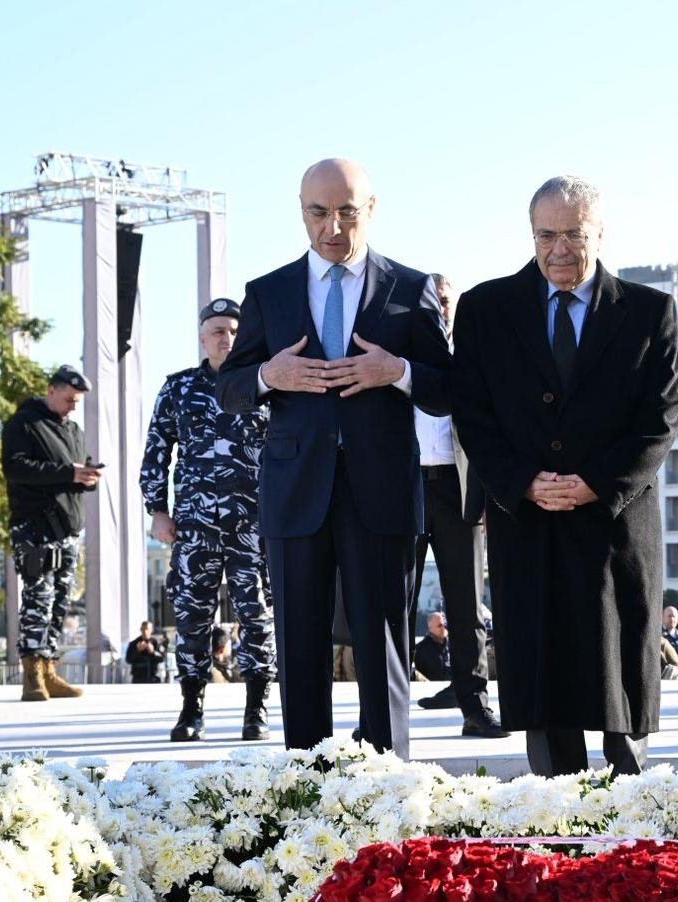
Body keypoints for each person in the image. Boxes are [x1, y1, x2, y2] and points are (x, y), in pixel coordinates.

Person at [217, 158, 452, 759]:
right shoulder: (267, 292)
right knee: (299, 645)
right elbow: (231, 388)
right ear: (302, 212)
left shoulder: (410, 288)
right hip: (296, 494)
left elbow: (452, 387)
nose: (333, 228)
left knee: (383, 645)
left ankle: (390, 783)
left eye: (348, 212)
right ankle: (306, 786)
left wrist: (395, 371)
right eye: (319, 213)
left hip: (383, 492)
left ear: (371, 210)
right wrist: (272, 374)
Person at [452, 175, 678, 777]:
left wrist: (598, 483)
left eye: (574, 235)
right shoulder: (485, 309)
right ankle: (558, 832)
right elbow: (472, 415)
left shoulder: (649, 310)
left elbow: (661, 417)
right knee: (544, 693)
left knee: (621, 694)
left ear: (600, 233)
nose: (559, 249)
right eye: (546, 235)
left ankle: (635, 829)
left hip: (615, 529)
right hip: (528, 526)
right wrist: (523, 480)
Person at [142, 298, 277, 742]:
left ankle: (256, 710)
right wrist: (157, 510)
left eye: (234, 331)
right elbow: (157, 452)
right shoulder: (179, 389)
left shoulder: (267, 386)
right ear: (202, 337)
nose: (226, 337)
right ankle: (190, 710)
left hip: (253, 525)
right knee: (192, 618)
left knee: (257, 617)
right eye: (217, 330)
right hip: (195, 527)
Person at [407, 274, 508, 739]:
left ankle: (475, 704)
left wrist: (490, 494)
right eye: (431, 300)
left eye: (445, 300)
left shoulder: (474, 352)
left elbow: (491, 427)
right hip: (402, 486)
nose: (439, 307)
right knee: (391, 602)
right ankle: (384, 712)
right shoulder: (399, 353)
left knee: (466, 604)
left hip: (457, 487)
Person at [1, 365, 101, 702]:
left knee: (62, 601)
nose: (74, 406)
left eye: (78, 401)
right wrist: (68, 473)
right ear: (52, 391)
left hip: (68, 529)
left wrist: (86, 476)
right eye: (70, 399)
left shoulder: (73, 429)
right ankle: (31, 674)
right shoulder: (24, 424)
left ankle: (50, 668)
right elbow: (15, 467)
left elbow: (76, 467)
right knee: (37, 599)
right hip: (35, 529)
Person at [413, 611, 451, 681]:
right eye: (439, 626)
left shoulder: (452, 645)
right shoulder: (421, 649)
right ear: (430, 628)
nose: (443, 628)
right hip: (431, 689)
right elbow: (419, 676)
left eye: (444, 625)